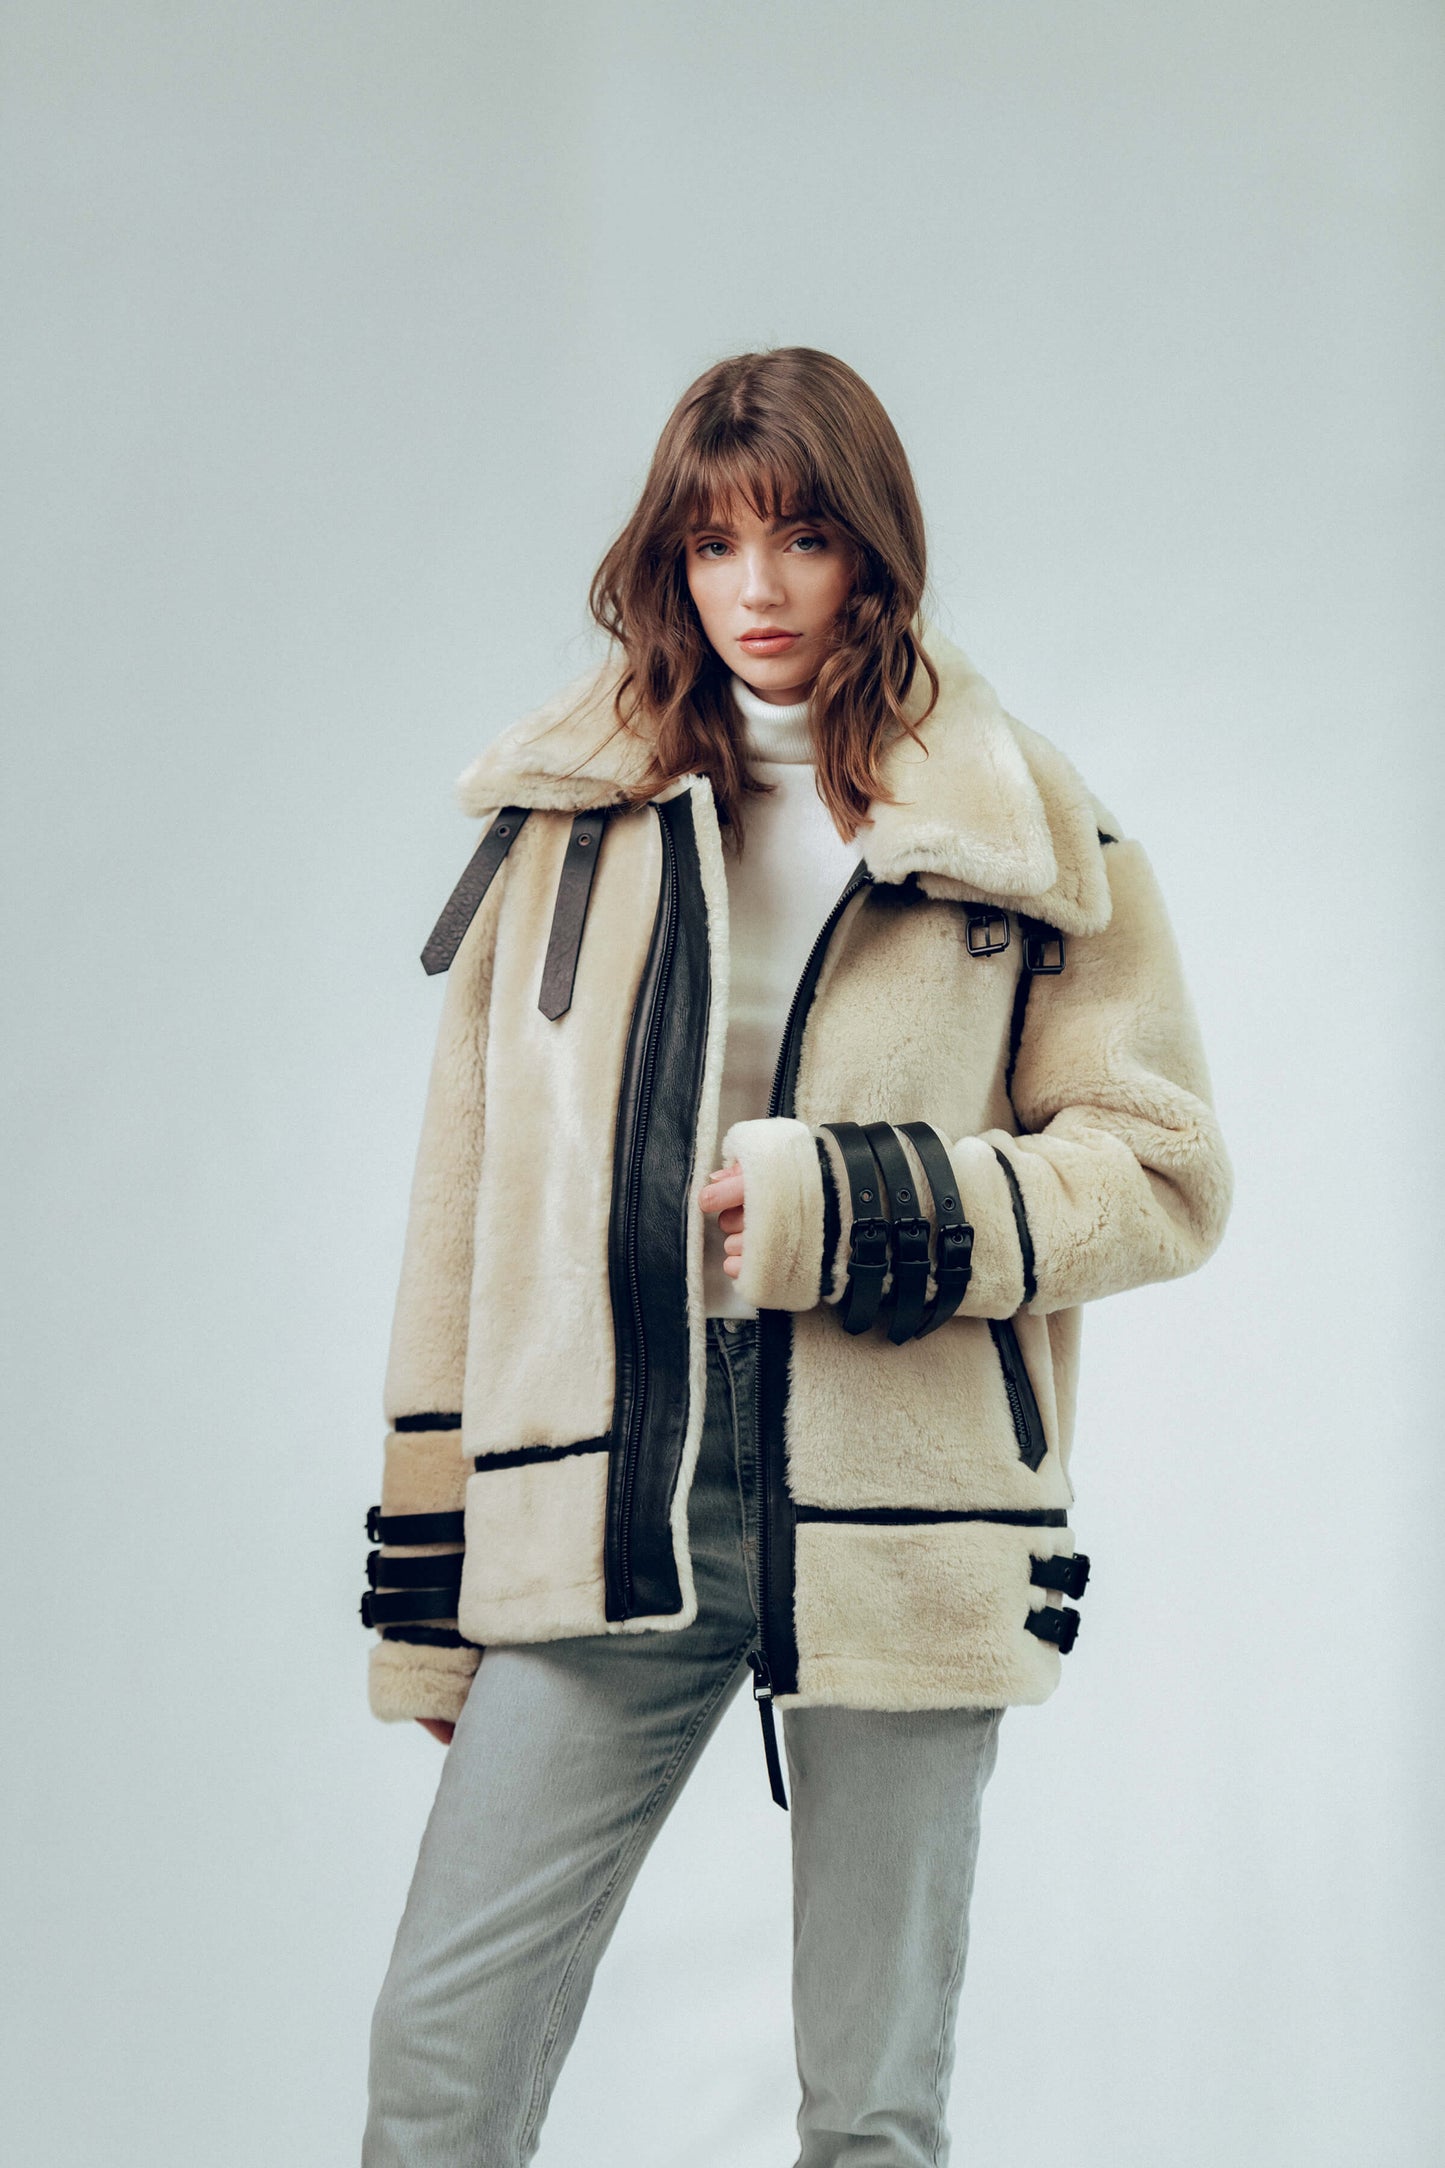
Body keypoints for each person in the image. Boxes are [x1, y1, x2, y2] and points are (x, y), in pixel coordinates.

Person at [357, 346, 1232, 2167]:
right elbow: (465, 1214)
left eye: (803, 539)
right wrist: (435, 1599)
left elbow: (1160, 1175)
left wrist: (855, 1208)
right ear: (667, 561)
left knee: (872, 2111)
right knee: (440, 2066)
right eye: (711, 544)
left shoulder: (1023, 832)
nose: (755, 589)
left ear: (873, 554)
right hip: (610, 1491)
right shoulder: (562, 825)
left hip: (905, 1501)